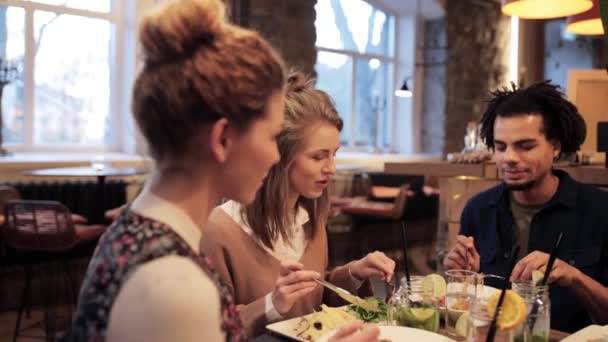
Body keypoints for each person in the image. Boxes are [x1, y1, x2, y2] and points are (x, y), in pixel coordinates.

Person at [62, 0, 286, 340]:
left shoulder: (138, 225)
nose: (274, 156)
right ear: (223, 138)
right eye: (271, 137)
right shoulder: (174, 287)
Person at [200, 72, 395, 337]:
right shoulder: (219, 232)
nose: (331, 168)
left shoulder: (309, 219)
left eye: (334, 154)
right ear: (279, 157)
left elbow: (316, 304)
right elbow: (210, 331)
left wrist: (353, 273)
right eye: (318, 157)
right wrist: (272, 304)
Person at [443, 81, 608, 332]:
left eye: (525, 146)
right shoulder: (478, 210)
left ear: (555, 147)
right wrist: (466, 281)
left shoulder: (599, 210)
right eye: (500, 147)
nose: (509, 158)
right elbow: (470, 315)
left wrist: (574, 277)